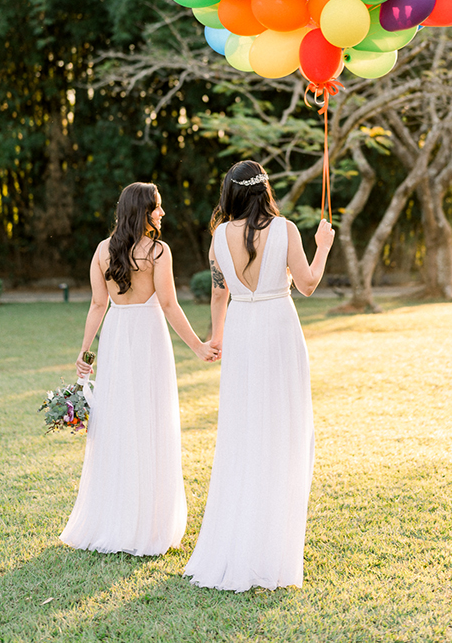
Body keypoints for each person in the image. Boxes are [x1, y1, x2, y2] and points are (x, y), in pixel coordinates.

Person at [185, 160, 335, 591]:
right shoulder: (285, 229)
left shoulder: (217, 236)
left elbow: (219, 292)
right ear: (264, 191)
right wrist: (322, 245)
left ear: (231, 193)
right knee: (283, 432)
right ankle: (271, 541)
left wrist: (218, 338)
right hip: (278, 329)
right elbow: (306, 284)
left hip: (242, 333)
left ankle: (241, 535)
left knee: (244, 432)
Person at [60, 181, 216, 556]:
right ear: (141, 211)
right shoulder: (158, 252)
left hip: (116, 335)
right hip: (147, 337)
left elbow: (99, 305)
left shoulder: (102, 250)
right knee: (150, 420)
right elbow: (168, 305)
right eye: (157, 208)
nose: (162, 213)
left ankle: (116, 517)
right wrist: (198, 346)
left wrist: (85, 351)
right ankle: (146, 523)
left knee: (119, 422)